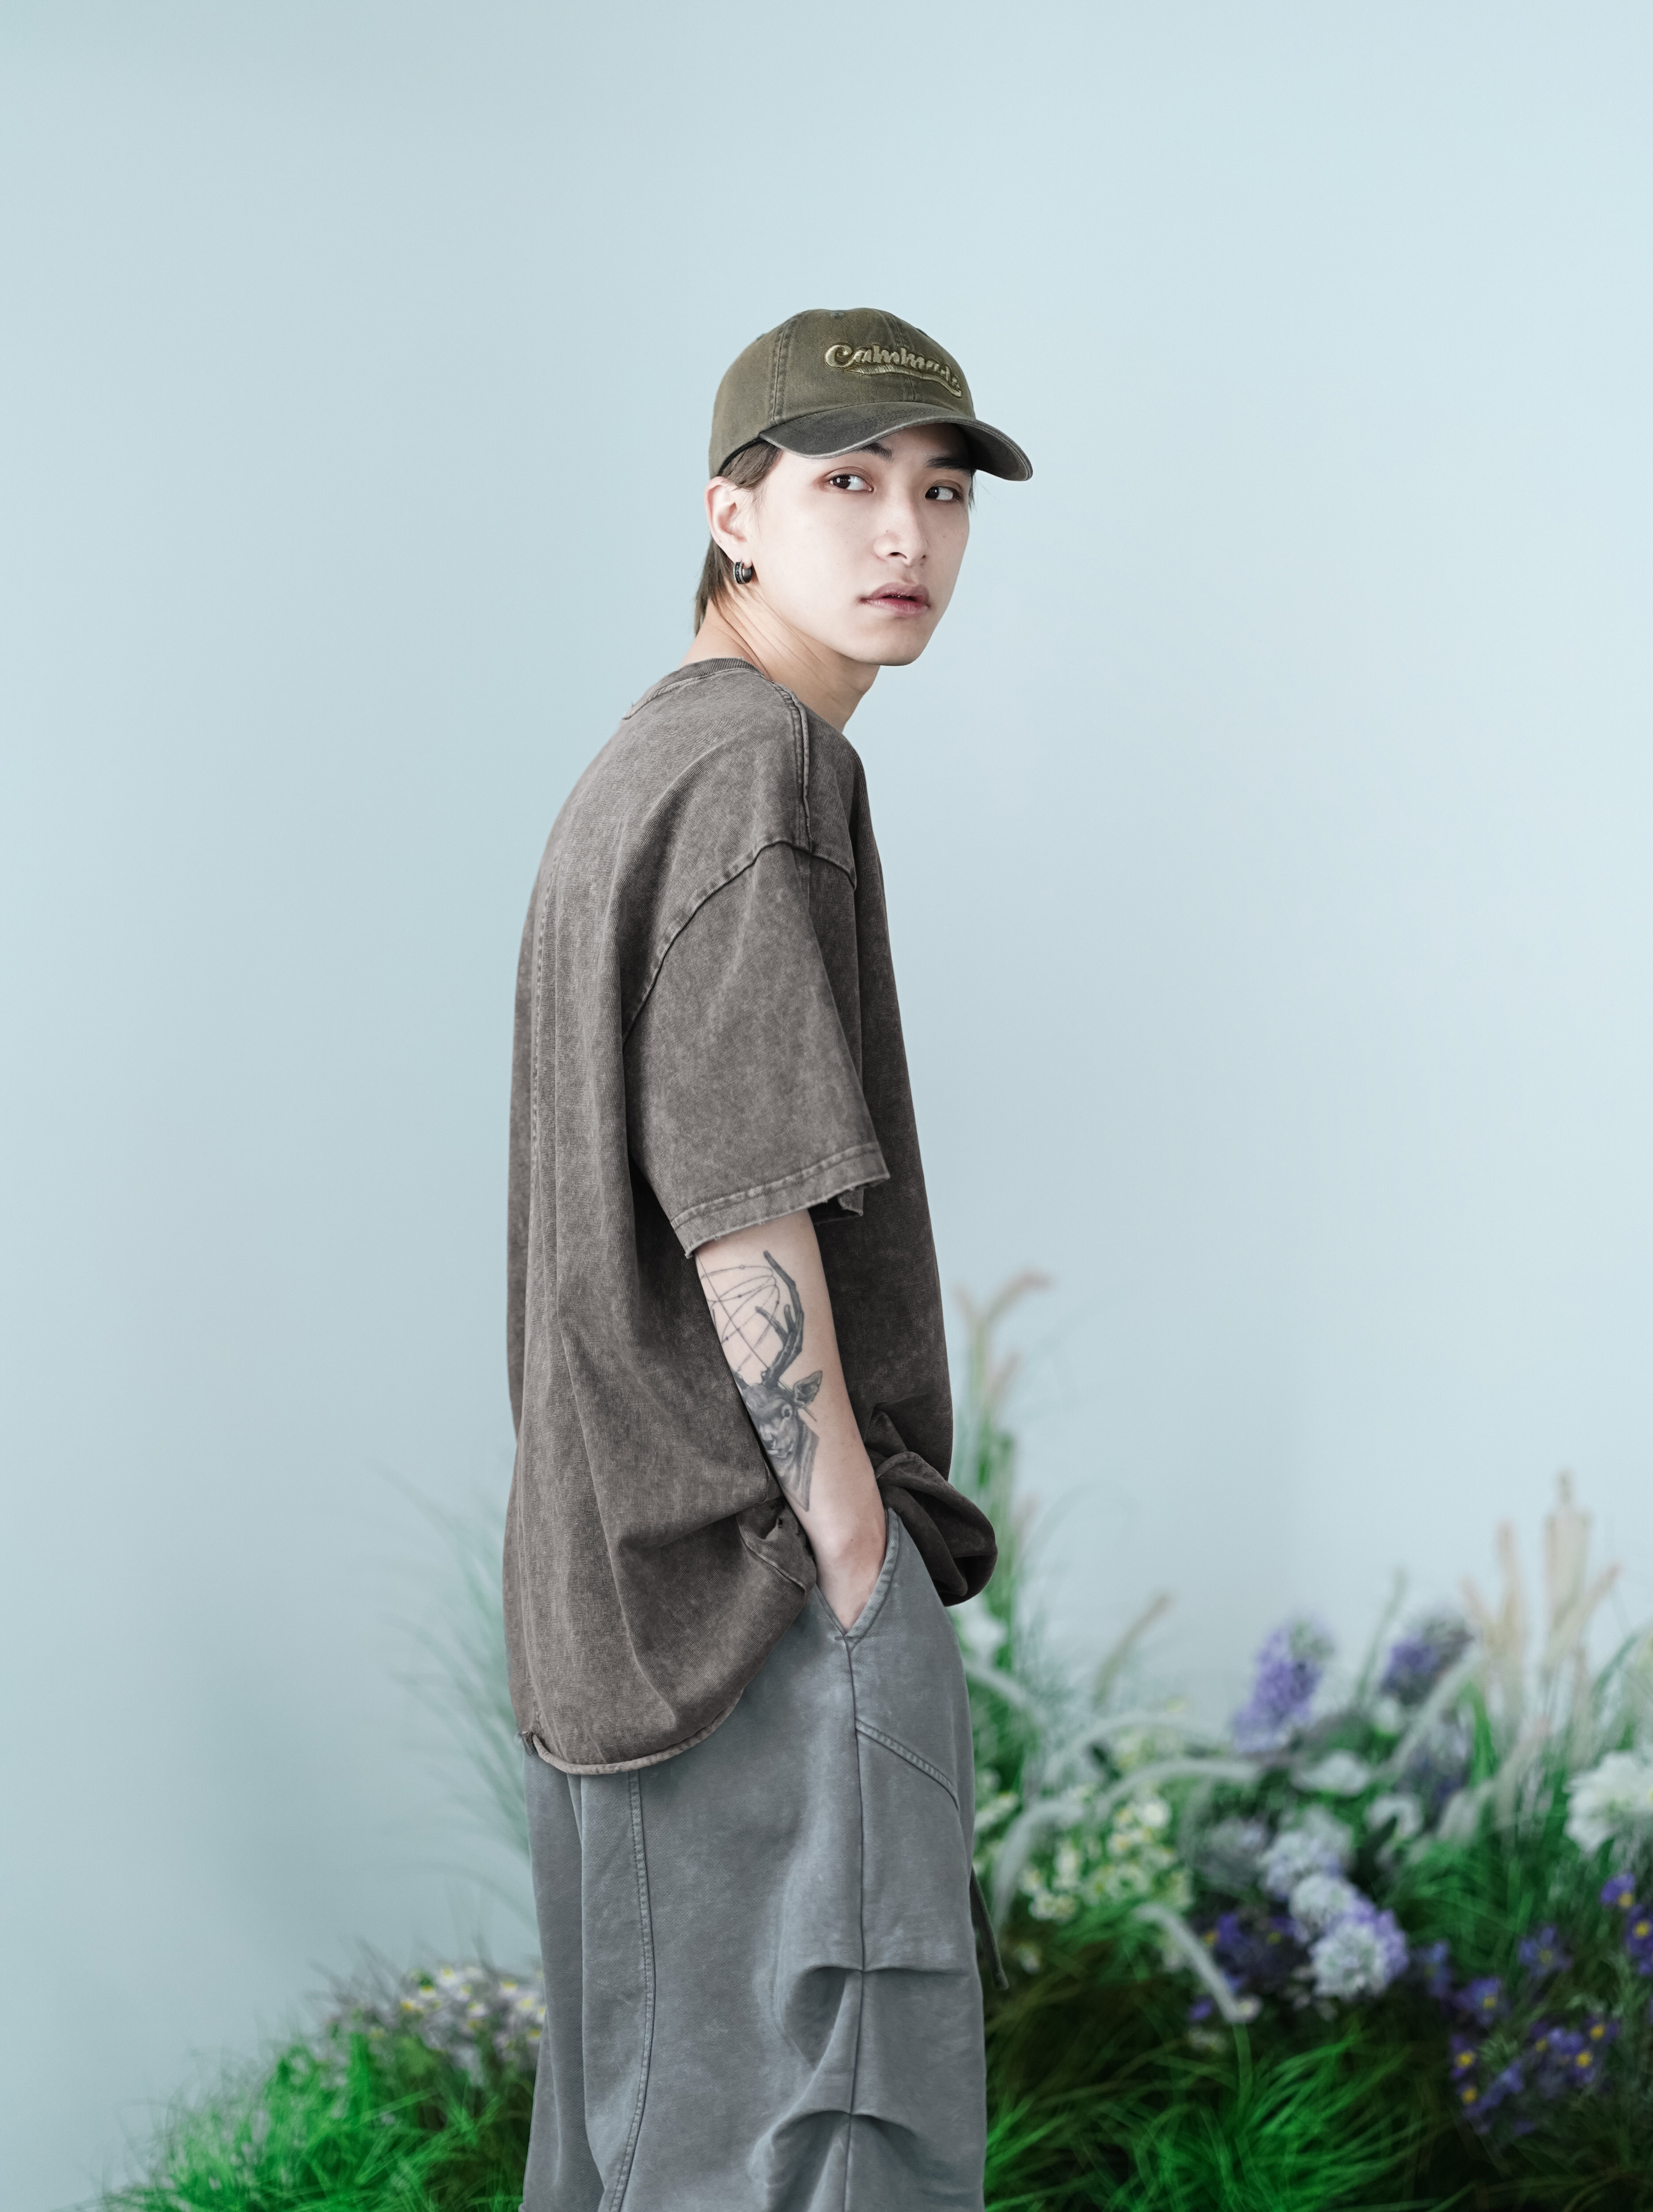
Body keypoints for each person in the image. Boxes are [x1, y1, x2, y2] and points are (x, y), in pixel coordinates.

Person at [504, 307, 1031, 2210]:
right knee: (820, 2149)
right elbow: (741, 1192)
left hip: (620, 1599)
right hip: (753, 1601)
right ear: (732, 517)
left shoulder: (648, 760)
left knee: (646, 2150)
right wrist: (854, 1550)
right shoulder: (764, 770)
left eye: (942, 490)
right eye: (847, 482)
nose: (906, 533)